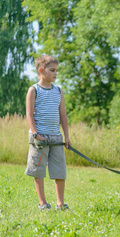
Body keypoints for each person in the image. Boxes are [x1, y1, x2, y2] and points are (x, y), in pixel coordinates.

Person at [25, 54, 72, 211]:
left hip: (56, 137)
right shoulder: (34, 90)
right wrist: (36, 134)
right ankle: (43, 203)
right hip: (40, 138)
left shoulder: (59, 91)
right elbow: (29, 115)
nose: (55, 73)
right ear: (41, 70)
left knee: (59, 170)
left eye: (57, 70)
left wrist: (66, 137)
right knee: (38, 171)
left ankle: (60, 204)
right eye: (52, 70)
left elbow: (63, 116)